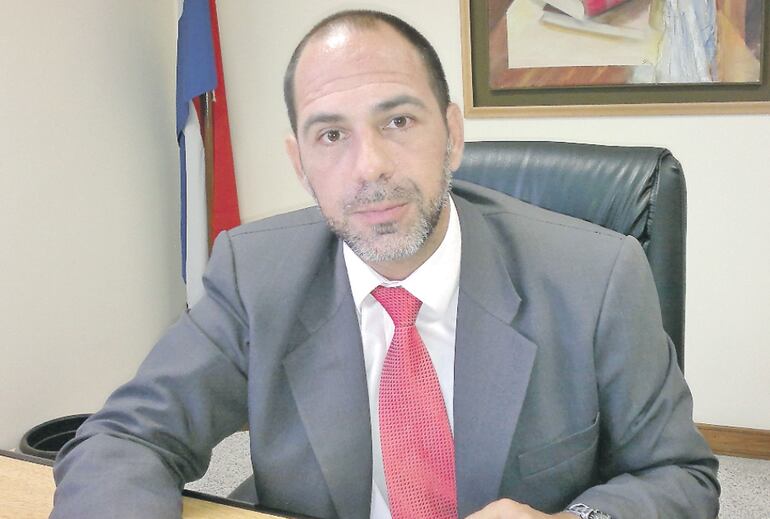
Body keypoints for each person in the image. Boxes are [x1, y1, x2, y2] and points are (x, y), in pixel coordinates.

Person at [50, 9, 719, 519]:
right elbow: (126, 438)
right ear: (300, 163)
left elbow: (681, 476)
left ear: (452, 135)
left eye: (398, 121)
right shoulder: (255, 274)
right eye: (331, 134)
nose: (368, 166)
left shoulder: (595, 276)